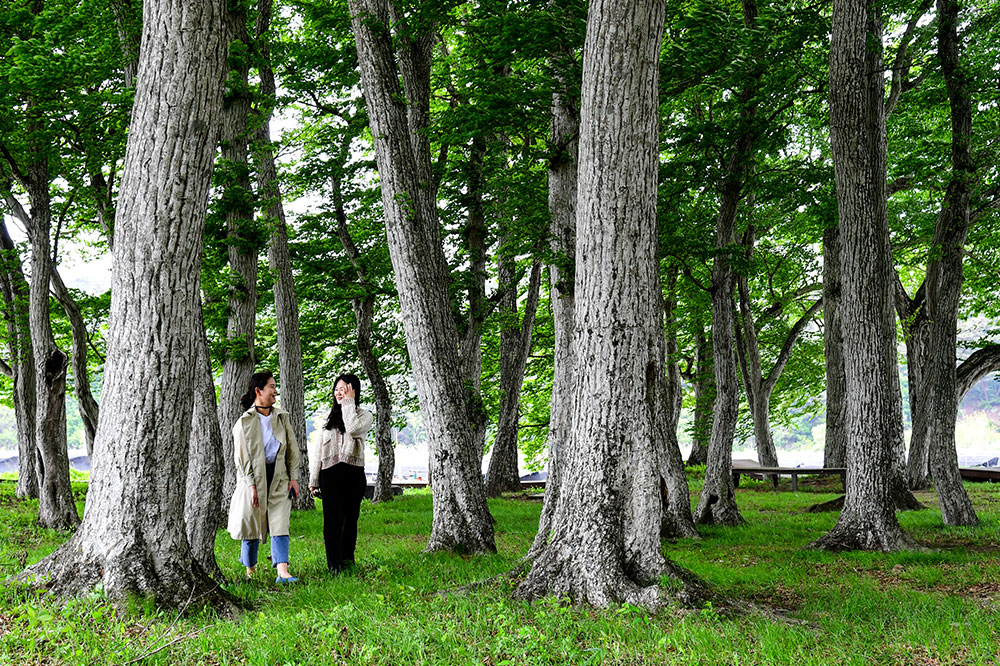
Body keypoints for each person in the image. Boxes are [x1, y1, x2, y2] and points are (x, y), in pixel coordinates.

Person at [227, 370, 301, 583]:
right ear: (258, 390)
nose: (275, 391)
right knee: (252, 524)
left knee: (280, 521)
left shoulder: (281, 417)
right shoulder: (244, 422)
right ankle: (250, 569)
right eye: (271, 386)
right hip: (253, 478)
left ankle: (282, 571)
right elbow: (241, 458)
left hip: (279, 476)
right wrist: (251, 485)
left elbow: (292, 450)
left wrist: (293, 477)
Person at [308, 373, 373, 575]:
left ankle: (347, 560)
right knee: (332, 521)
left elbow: (353, 428)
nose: (339, 393)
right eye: (337, 389)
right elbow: (318, 449)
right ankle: (333, 564)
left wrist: (348, 403)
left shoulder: (364, 415)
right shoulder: (327, 418)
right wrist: (314, 479)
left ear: (353, 391)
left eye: (344, 389)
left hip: (353, 473)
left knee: (350, 520)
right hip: (330, 474)